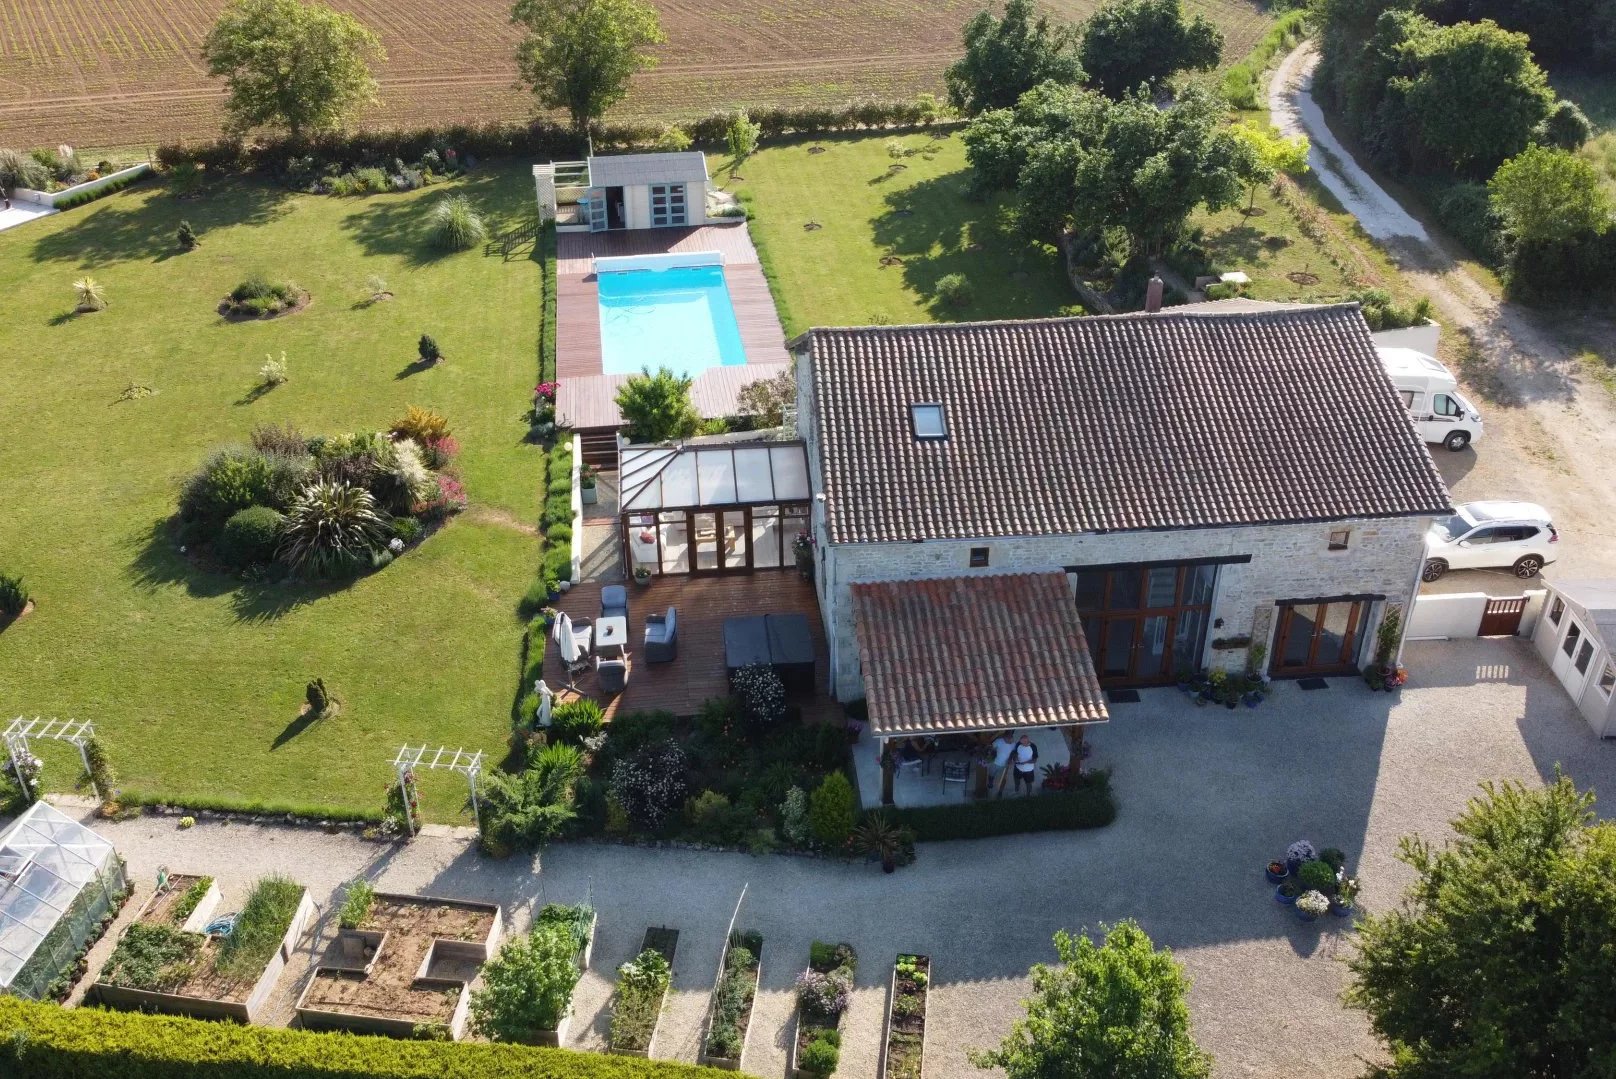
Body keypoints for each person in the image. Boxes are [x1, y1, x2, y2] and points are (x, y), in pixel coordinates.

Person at [989, 731, 1016, 796]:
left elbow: (1013, 753)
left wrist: (1012, 760)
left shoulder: (1014, 744)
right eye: (1008, 736)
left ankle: (1000, 792)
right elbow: (991, 748)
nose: (1010, 738)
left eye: (1011, 736)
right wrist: (991, 754)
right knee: (991, 774)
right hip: (995, 762)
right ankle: (990, 782)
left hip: (1005, 765)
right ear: (1005, 735)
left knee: (1003, 779)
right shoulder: (999, 741)